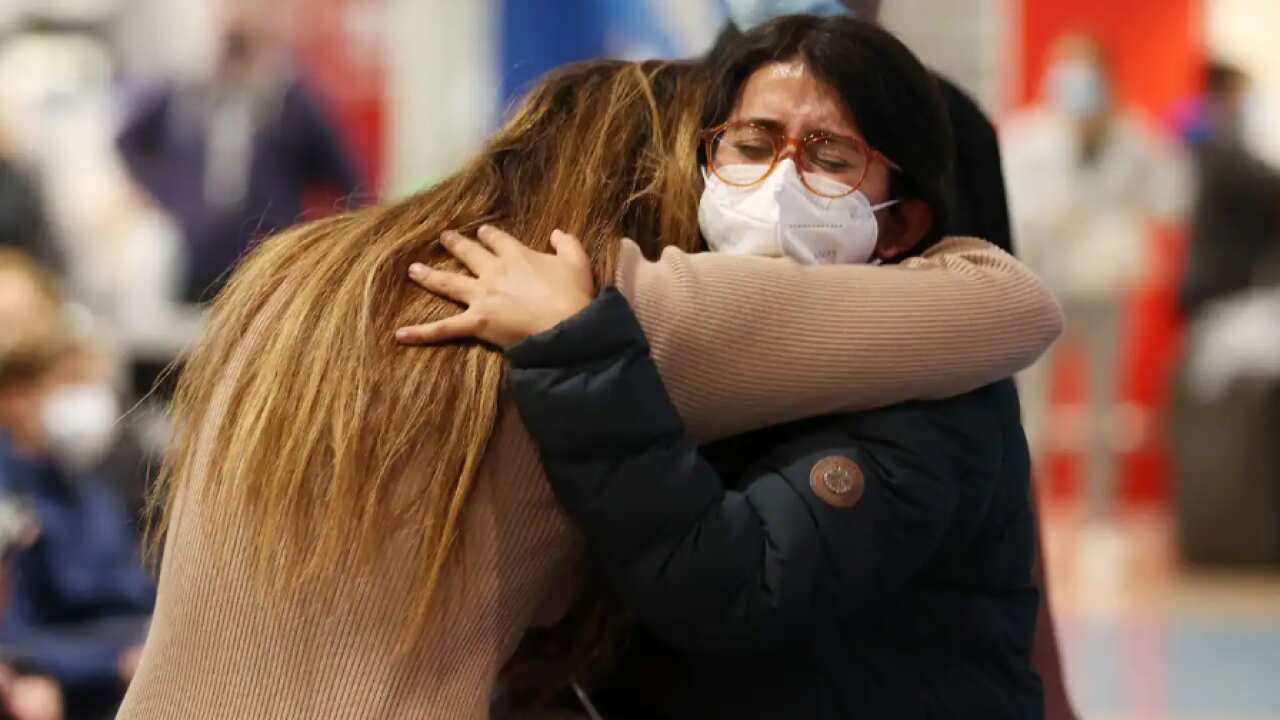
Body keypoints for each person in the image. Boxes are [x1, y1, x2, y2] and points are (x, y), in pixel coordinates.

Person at [121, 52, 1057, 719]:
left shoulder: (295, 276)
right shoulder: (615, 301)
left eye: (820, 155)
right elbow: (1007, 305)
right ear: (657, 176)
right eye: (739, 146)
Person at [405, 16, 1047, 718]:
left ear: (898, 224)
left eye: (831, 159)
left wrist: (574, 350)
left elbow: (736, 588)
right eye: (751, 144)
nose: (779, 181)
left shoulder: (934, 375)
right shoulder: (701, 336)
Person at [1003, 33, 1187, 511]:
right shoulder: (1027, 137)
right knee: (1034, 408)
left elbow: (1171, 198)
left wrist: (1120, 220)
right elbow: (1012, 207)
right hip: (1044, 288)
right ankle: (1029, 507)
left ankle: (1100, 510)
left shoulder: (1134, 136)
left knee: (1106, 407)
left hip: (1107, 289)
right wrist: (1054, 217)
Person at [116, 0, 362, 304]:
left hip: (269, 263)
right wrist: (169, 194)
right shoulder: (190, 91)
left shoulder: (289, 98)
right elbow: (127, 139)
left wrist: (332, 256)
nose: (236, 17)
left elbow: (349, 182)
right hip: (198, 262)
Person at [0, 332, 153, 720]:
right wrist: (112, 661)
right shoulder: (10, 495)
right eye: (71, 384)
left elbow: (134, 597)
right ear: (16, 396)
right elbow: (12, 637)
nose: (89, 402)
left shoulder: (87, 486)